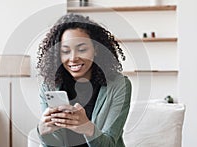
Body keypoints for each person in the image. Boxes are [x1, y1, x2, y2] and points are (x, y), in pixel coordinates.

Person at [36, 13, 132, 147]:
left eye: (82, 49)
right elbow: (53, 144)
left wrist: (86, 127)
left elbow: (109, 144)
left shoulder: (119, 85)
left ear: (96, 49)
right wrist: (43, 132)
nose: (73, 58)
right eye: (65, 51)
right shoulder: (49, 86)